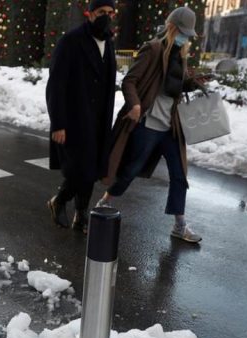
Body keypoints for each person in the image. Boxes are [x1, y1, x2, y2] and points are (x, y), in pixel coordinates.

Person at [96, 6, 210, 243]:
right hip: (148, 123)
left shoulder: (180, 54)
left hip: (170, 126)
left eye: (188, 35)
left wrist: (192, 82)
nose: (186, 38)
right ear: (171, 27)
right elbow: (129, 81)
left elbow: (173, 87)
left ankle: (179, 225)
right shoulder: (153, 49)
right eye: (183, 33)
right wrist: (135, 105)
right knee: (131, 169)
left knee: (180, 175)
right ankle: (106, 200)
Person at [45, 0, 117, 234]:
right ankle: (59, 200)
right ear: (90, 14)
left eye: (110, 13)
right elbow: (56, 84)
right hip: (75, 119)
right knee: (81, 170)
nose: (106, 17)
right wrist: (59, 123)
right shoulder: (71, 41)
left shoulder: (110, 43)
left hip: (99, 121)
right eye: (101, 12)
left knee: (93, 171)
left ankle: (81, 216)